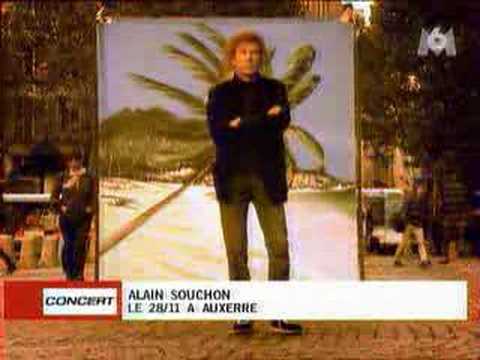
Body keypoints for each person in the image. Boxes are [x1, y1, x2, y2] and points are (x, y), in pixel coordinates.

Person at [206, 30, 302, 335]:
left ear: (261, 58)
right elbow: (219, 133)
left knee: (279, 247)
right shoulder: (219, 94)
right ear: (233, 58)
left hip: (268, 179)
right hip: (231, 180)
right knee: (236, 251)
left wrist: (241, 123)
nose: (250, 57)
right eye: (244, 52)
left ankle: (277, 312)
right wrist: (263, 120)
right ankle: (243, 312)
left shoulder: (276, 89)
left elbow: (281, 121)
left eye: (255, 53)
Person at [52, 149, 95, 281]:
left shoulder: (89, 177)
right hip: (67, 218)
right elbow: (54, 197)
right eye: (72, 160)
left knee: (80, 245)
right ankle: (68, 271)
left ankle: (78, 273)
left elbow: (94, 196)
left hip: (83, 218)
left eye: (77, 160)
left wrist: (90, 209)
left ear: (81, 161)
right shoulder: (62, 177)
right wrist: (61, 207)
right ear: (68, 162)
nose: (74, 163)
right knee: (69, 244)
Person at [438, 152, 469, 264]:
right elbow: (464, 203)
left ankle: (447, 257)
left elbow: (442, 203)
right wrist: (464, 215)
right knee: (458, 237)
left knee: (446, 238)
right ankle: (458, 255)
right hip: (459, 216)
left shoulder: (445, 187)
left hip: (449, 216)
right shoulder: (461, 187)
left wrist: (441, 214)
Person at [393, 178, 432, 267]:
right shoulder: (410, 197)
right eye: (420, 187)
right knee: (404, 243)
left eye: (422, 188)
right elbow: (405, 210)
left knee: (420, 242)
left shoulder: (422, 199)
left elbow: (424, 211)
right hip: (409, 224)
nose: (421, 189)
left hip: (418, 224)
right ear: (416, 187)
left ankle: (423, 260)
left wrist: (423, 218)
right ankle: (397, 259)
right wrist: (405, 221)